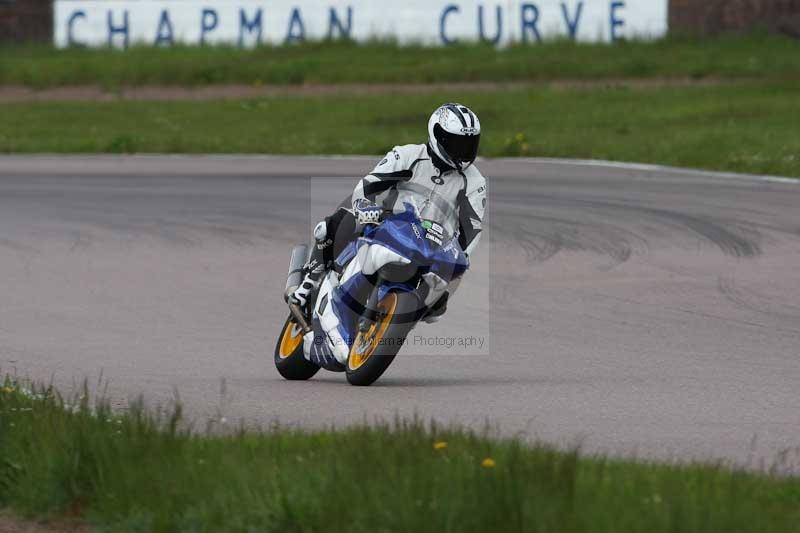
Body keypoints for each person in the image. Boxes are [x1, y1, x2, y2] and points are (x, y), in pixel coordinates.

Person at [289, 103, 487, 322]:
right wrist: (364, 205)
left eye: (469, 143)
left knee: (437, 306)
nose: (464, 150)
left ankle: (394, 317)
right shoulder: (408, 155)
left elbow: (472, 228)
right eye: (457, 143)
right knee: (337, 222)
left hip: (431, 246)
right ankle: (310, 281)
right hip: (389, 225)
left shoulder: (474, 181)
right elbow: (369, 185)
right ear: (438, 135)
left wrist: (460, 257)